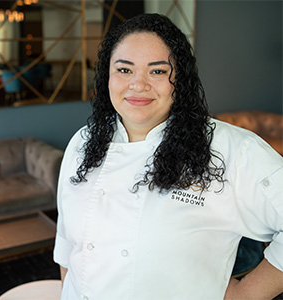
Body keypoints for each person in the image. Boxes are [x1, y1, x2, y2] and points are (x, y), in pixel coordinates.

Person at [53, 13, 283, 299]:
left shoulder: (228, 149)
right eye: (124, 70)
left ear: (181, 79)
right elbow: (67, 246)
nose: (138, 84)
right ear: (106, 77)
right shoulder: (82, 143)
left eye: (158, 71)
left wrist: (246, 294)